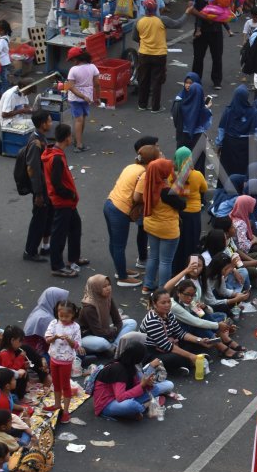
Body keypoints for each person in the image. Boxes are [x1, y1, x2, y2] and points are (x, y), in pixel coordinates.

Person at [104, 143, 159, 289]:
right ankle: (122, 277)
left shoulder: (131, 167)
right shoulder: (144, 173)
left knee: (114, 243)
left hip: (110, 203)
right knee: (119, 245)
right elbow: (136, 197)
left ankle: (120, 270)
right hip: (120, 210)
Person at [41, 122, 84, 278]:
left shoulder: (53, 153)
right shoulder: (57, 158)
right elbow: (57, 183)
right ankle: (57, 265)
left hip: (67, 201)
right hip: (63, 201)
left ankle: (73, 257)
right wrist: (70, 194)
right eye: (70, 136)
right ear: (67, 138)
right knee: (59, 234)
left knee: (75, 227)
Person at [141, 287, 215, 374]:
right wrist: (191, 355)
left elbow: (180, 333)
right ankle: (182, 365)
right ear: (154, 304)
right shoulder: (152, 321)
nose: (167, 305)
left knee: (192, 343)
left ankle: (187, 362)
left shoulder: (169, 313)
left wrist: (199, 340)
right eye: (163, 303)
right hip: (154, 352)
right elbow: (167, 346)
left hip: (170, 345)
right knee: (175, 357)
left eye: (169, 302)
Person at [140, 158, 184, 292]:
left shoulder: (148, 185)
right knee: (165, 261)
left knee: (153, 256)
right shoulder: (165, 192)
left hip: (151, 226)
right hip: (167, 230)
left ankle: (147, 285)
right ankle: (163, 290)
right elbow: (182, 204)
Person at [18, 111, 54, 265]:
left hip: (46, 187)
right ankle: (30, 251)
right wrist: (38, 193)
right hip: (41, 190)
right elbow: (33, 170)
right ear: (42, 124)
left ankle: (45, 246)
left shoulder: (41, 138)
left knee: (47, 217)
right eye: (49, 121)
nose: (51, 123)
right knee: (39, 219)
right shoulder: (35, 143)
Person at [77, 274, 139, 355]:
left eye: (109, 285)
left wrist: (114, 330)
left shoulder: (108, 298)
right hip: (88, 335)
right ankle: (114, 346)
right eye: (104, 286)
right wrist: (114, 331)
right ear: (96, 288)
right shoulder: (89, 307)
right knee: (102, 342)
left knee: (132, 322)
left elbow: (117, 320)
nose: (108, 288)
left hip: (105, 330)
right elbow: (98, 332)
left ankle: (115, 346)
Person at [45, 299, 82, 423]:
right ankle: (57, 404)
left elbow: (77, 345)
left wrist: (69, 340)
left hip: (66, 361)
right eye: (61, 316)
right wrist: (55, 337)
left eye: (67, 316)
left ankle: (65, 411)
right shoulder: (54, 323)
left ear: (73, 315)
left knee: (65, 385)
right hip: (54, 358)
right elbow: (47, 339)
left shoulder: (75, 327)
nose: (63, 318)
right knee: (56, 384)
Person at [215, 86, 257, 181]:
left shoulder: (228, 111)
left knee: (227, 171)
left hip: (229, 145)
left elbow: (221, 130)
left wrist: (218, 145)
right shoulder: (252, 112)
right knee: (243, 171)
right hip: (245, 146)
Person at [186, 0, 226, 90]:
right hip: (201, 30)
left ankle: (217, 81)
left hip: (216, 30)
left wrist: (216, 17)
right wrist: (204, 16)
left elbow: (226, 9)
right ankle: (195, 80)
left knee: (217, 56)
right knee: (198, 57)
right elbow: (190, 8)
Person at [135, 0, 168, 112]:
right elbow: (178, 23)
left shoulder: (139, 21)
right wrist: (187, 13)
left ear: (144, 9)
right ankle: (155, 107)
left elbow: (135, 37)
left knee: (143, 80)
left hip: (144, 54)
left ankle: (142, 105)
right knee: (157, 81)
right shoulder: (162, 20)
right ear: (155, 9)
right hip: (159, 55)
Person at [62, 47, 98, 152]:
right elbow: (97, 84)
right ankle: (79, 142)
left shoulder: (73, 70)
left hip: (75, 99)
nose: (72, 62)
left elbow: (70, 87)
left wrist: (82, 96)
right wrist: (98, 97)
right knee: (83, 119)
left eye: (72, 60)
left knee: (78, 120)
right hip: (88, 98)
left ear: (77, 59)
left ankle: (78, 143)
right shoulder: (93, 67)